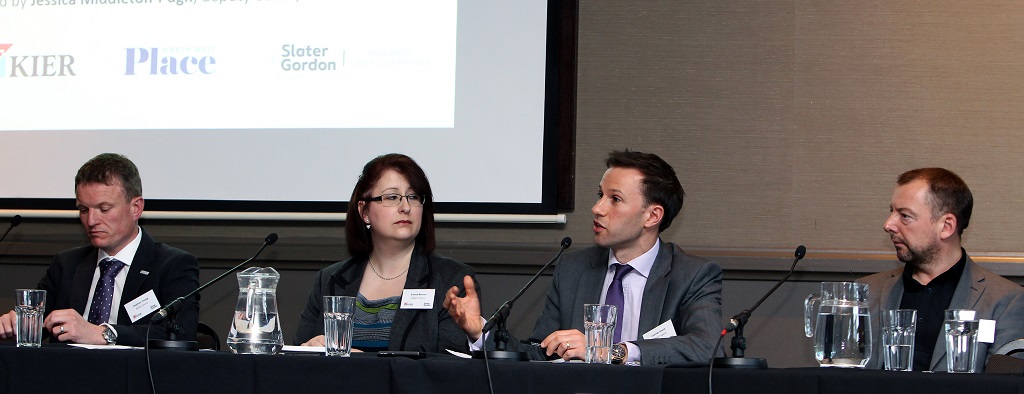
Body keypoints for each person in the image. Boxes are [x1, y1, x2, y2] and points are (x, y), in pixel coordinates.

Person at [445, 150, 723, 365]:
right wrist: (481, 331)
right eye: (600, 195)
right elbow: (541, 353)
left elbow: (706, 345)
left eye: (614, 199)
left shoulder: (691, 275)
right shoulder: (574, 268)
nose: (597, 208)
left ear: (652, 216)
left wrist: (612, 352)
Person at [0, 153, 200, 346]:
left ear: (136, 208)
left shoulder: (173, 265)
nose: (91, 221)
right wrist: (19, 325)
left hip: (133, 376)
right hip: (66, 373)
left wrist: (103, 333)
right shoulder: (67, 263)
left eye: (104, 209)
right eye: (84, 210)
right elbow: (38, 323)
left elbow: (179, 333)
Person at [295, 153, 479, 353]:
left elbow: (448, 371)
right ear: (364, 212)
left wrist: (362, 364)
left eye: (413, 197)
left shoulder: (450, 280)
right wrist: (310, 349)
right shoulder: (330, 280)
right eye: (392, 197)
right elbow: (294, 359)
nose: (406, 207)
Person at [858, 168, 1024, 371]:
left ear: (946, 226)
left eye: (905, 215)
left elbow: (1002, 386)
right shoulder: (865, 291)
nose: (888, 224)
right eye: (891, 211)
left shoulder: (1005, 301)